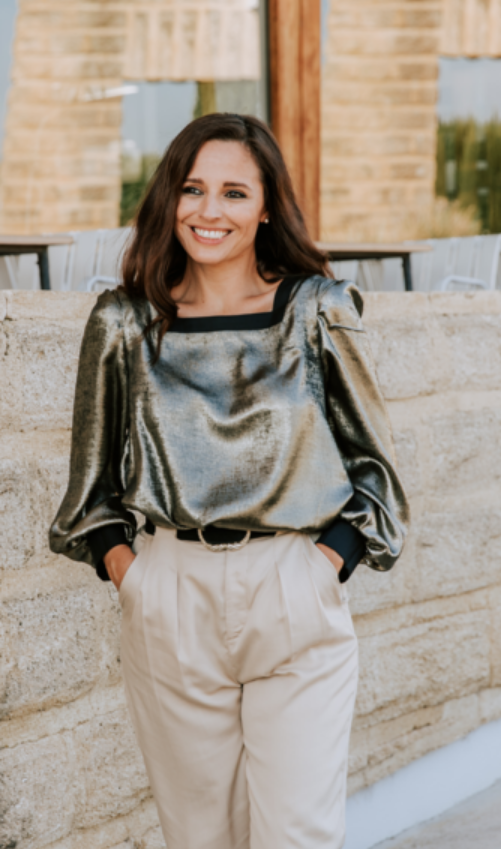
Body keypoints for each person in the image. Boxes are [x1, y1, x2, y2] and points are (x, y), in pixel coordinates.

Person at [50, 113, 408, 849]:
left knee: (297, 834)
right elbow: (91, 489)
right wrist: (132, 575)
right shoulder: (124, 322)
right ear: (169, 197)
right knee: (199, 837)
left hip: (293, 585)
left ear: (267, 206)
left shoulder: (316, 310)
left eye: (234, 192)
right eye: (193, 189)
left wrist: (326, 565)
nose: (209, 210)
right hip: (170, 594)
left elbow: (375, 471)